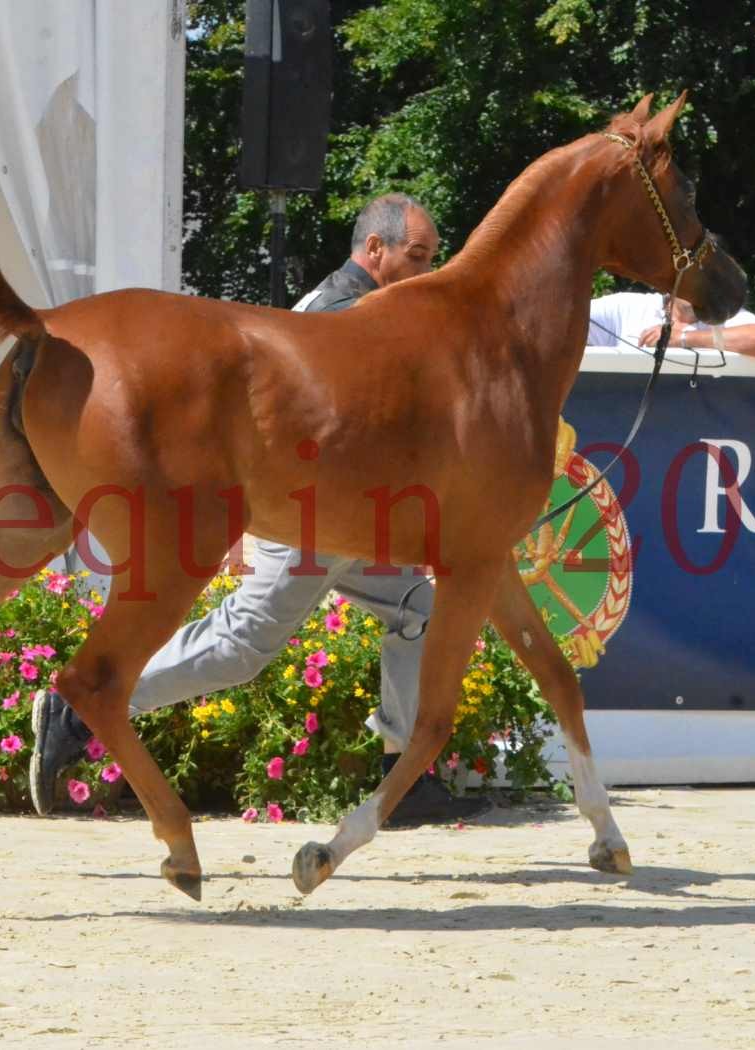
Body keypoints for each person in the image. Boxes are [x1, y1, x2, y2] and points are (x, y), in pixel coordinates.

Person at [30, 193, 490, 826]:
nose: (429, 271)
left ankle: (404, 772)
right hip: (315, 512)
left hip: (350, 516)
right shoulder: (345, 316)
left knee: (417, 611)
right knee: (242, 645)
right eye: (419, 256)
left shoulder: (351, 308)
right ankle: (82, 703)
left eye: (435, 258)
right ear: (374, 249)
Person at [586, 290, 755, 357]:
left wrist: (683, 338)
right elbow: (562, 318)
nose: (695, 288)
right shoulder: (626, 306)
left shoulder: (724, 316)